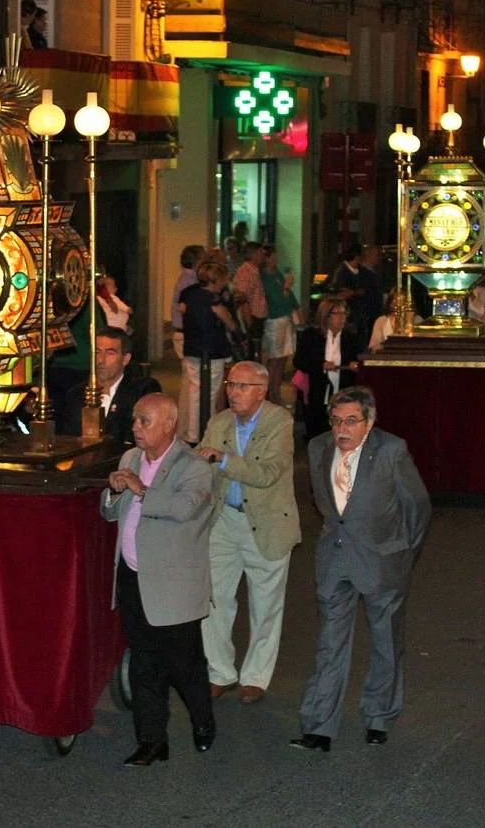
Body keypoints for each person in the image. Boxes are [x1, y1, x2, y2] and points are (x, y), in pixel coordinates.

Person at [290, 386, 431, 751]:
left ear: (369, 422)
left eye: (351, 421)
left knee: (385, 641)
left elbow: (417, 506)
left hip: (383, 560)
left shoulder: (391, 450)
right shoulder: (318, 448)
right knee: (329, 644)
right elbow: (323, 504)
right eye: (336, 420)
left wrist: (402, 552)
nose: (342, 429)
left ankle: (379, 715)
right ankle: (319, 726)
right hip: (334, 559)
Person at [100, 393, 218, 766]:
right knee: (144, 664)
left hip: (174, 586)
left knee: (185, 665)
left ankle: (203, 721)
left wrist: (141, 490)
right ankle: (152, 741)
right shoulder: (130, 459)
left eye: (144, 421)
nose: (135, 427)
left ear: (168, 425)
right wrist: (113, 491)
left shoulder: (193, 466)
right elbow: (110, 513)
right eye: (135, 420)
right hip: (134, 579)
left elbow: (184, 508)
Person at [195, 362, 299, 705]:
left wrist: (222, 459)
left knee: (266, 604)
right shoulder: (219, 421)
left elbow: (268, 472)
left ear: (262, 391)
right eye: (230, 384)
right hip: (224, 520)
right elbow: (203, 468)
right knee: (214, 599)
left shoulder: (279, 422)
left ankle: (256, 677)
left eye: (242, 386)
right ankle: (219, 671)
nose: (233, 392)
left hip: (266, 522)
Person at [57, 327, 161, 445]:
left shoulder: (141, 391)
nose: (101, 360)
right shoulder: (76, 394)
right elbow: (66, 438)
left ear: (125, 359)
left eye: (110, 353)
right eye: (97, 352)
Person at [179, 261, 236, 443]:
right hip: (212, 351)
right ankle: (204, 434)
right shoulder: (213, 300)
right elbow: (229, 322)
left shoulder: (191, 296)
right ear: (216, 280)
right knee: (209, 395)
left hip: (191, 349)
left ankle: (193, 433)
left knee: (194, 393)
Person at [292, 299, 361, 442]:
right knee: (318, 433)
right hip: (317, 393)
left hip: (342, 392)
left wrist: (356, 365)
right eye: (338, 314)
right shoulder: (311, 335)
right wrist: (321, 365)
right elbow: (299, 361)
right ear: (326, 316)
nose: (342, 318)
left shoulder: (351, 337)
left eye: (344, 314)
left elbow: (359, 359)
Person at [260, 247, 300, 404]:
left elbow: (289, 297)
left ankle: (276, 389)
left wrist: (296, 308)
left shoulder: (276, 273)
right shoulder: (265, 278)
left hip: (285, 318)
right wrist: (287, 287)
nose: (276, 258)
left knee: (283, 357)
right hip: (275, 319)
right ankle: (271, 392)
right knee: (275, 358)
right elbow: (277, 299)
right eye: (274, 256)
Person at [232, 242, 268, 358]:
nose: (264, 256)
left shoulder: (255, 271)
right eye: (261, 253)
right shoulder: (245, 272)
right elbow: (242, 297)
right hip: (252, 318)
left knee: (256, 352)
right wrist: (249, 323)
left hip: (257, 317)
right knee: (252, 354)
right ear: (255, 254)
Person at [171, 244, 205, 361]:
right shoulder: (189, 280)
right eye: (202, 257)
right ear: (196, 260)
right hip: (186, 332)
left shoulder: (189, 278)